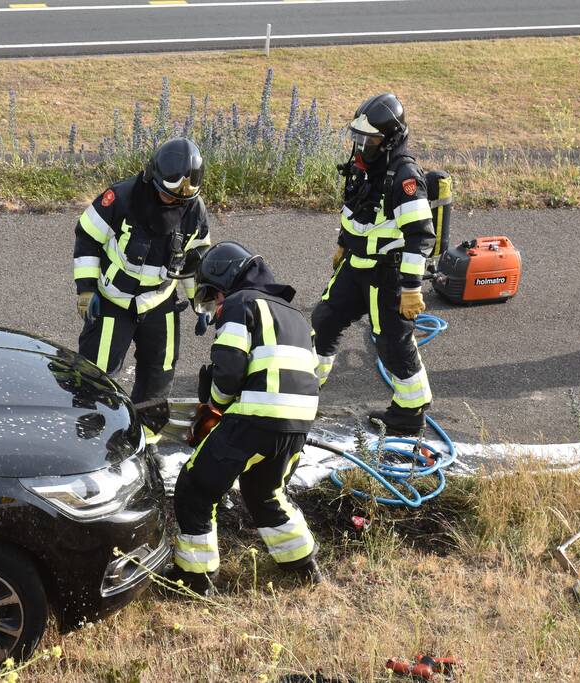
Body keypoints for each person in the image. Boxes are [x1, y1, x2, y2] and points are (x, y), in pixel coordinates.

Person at [169, 242, 323, 594]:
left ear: (227, 281)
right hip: (298, 423)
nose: (215, 307)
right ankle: (304, 566)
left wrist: (215, 407)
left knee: (196, 487)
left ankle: (195, 580)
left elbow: (229, 370)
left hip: (255, 418)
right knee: (264, 491)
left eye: (214, 297)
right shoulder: (295, 315)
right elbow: (313, 373)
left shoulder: (240, 304)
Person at [73, 138, 211, 452]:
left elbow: (195, 260)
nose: (175, 204)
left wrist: (199, 302)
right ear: (152, 178)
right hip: (112, 301)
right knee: (96, 375)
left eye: (182, 200)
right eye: (169, 195)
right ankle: (87, 442)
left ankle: (142, 444)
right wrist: (86, 289)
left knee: (159, 376)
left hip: (160, 303)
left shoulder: (193, 210)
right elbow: (87, 239)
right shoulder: (119, 198)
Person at [311, 93, 436, 435]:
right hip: (355, 265)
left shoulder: (405, 178)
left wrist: (411, 289)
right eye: (358, 138)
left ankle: (410, 412)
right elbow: (355, 210)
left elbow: (421, 237)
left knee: (391, 344)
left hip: (387, 274)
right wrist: (342, 244)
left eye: (369, 139)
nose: (361, 145)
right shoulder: (363, 167)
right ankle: (304, 392)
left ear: (389, 140)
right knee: (324, 320)